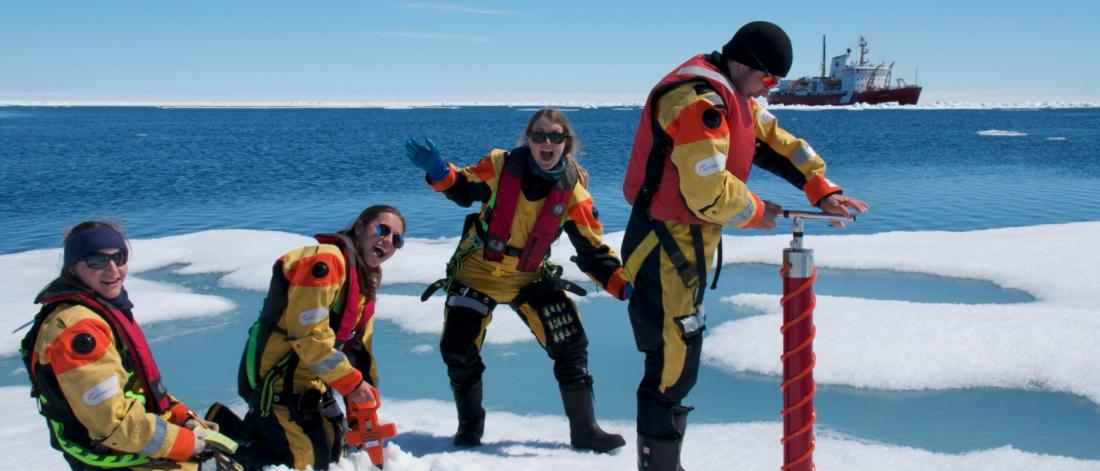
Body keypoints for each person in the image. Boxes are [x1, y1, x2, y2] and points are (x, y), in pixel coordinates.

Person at [621, 21, 869, 470]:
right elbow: (708, 191)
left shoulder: (736, 98)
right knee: (671, 368)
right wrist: (759, 213)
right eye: (768, 80)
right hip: (661, 247)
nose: (769, 91)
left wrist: (821, 187)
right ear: (742, 63)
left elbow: (778, 144)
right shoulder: (697, 102)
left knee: (682, 361)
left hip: (688, 244)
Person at [406, 108, 628, 453]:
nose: (547, 142)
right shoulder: (499, 165)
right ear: (528, 139)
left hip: (529, 277)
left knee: (571, 345)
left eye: (555, 136)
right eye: (538, 135)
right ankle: (470, 428)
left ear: (566, 144)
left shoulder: (575, 195)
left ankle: (585, 431)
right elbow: (463, 188)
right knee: (457, 348)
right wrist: (438, 171)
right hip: (477, 271)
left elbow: (593, 252)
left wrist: (622, 284)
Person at [208, 205, 405, 470]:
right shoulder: (326, 262)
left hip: (310, 382)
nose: (388, 241)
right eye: (382, 229)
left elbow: (359, 352)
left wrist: (362, 410)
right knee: (305, 462)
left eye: (397, 239)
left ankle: (248, 431)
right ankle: (213, 442)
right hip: (274, 380)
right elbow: (308, 335)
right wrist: (351, 384)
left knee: (336, 448)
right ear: (359, 228)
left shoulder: (362, 286)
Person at [20, 221, 229, 470]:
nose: (112, 270)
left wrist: (182, 417)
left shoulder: (100, 310)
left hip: (134, 445)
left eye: (119, 258)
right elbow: (112, 423)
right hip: (118, 458)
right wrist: (186, 444)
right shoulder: (79, 331)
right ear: (74, 267)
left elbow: (133, 386)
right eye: (97, 261)